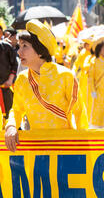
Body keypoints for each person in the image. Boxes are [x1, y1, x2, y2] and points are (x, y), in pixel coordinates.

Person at [4, 19, 88, 152]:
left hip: (65, 149)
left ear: (40, 50)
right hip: (37, 149)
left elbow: (80, 114)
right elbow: (17, 110)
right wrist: (11, 126)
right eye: (19, 46)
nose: (19, 52)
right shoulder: (22, 79)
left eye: (25, 46)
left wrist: (84, 147)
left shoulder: (65, 76)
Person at [0, 31, 18, 121]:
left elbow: (14, 64)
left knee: (9, 112)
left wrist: (10, 80)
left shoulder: (6, 47)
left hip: (6, 86)